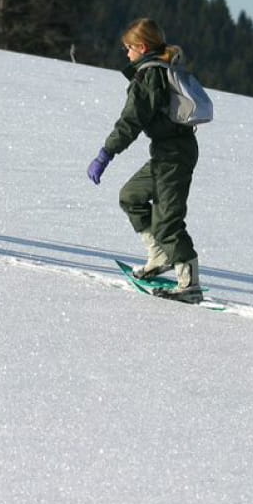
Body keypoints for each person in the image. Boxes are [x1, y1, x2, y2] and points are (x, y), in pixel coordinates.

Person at [86, 19, 202, 301]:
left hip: (173, 154)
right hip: (167, 152)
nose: (126, 54)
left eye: (128, 48)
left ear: (142, 47)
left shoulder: (149, 77)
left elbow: (130, 121)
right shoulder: (162, 70)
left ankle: (189, 285)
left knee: (168, 222)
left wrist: (106, 153)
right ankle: (160, 254)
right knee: (131, 196)